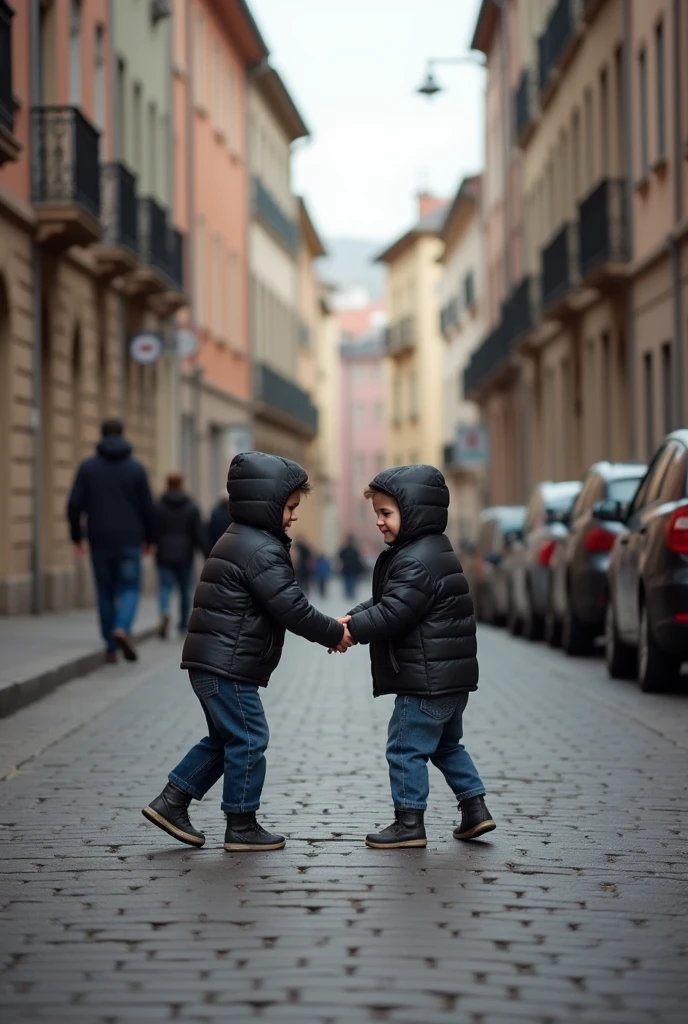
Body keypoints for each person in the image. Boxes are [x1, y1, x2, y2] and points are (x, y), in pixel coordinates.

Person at [142, 451, 353, 852]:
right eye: (289, 508)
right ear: (268, 503)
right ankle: (241, 824)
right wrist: (332, 633)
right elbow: (291, 606)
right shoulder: (260, 549)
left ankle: (172, 801)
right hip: (227, 665)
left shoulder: (241, 538)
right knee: (250, 737)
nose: (293, 517)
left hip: (213, 661)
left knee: (226, 740)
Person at [338, 464, 495, 850]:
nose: (378, 522)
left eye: (386, 513)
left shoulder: (414, 560)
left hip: (426, 682)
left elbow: (394, 612)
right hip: (450, 680)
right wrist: (353, 617)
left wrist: (352, 632)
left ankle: (409, 821)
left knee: (405, 746)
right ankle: (475, 809)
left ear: (414, 512)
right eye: (376, 513)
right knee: (445, 746)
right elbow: (389, 601)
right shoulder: (431, 551)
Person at [67, 418, 156, 663]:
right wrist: (150, 538)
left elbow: (74, 504)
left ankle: (109, 646)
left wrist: (76, 536)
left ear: (101, 434)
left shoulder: (87, 468)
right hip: (129, 539)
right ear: (122, 433)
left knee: (105, 591)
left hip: (99, 539)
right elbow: (149, 508)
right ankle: (122, 627)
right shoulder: (136, 469)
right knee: (129, 587)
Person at [155, 472, 207, 639]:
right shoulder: (191, 506)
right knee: (185, 589)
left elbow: (153, 528)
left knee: (164, 586)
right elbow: (199, 532)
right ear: (181, 484)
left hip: (164, 552)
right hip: (185, 553)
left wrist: (151, 542)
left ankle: (164, 611)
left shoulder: (159, 505)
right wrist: (207, 553)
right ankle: (182, 624)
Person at [338, 534, 364, 600]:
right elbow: (358, 559)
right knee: (352, 581)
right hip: (353, 569)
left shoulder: (345, 549)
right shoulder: (355, 550)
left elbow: (340, 556)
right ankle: (351, 593)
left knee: (348, 581)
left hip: (347, 568)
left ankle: (348, 593)